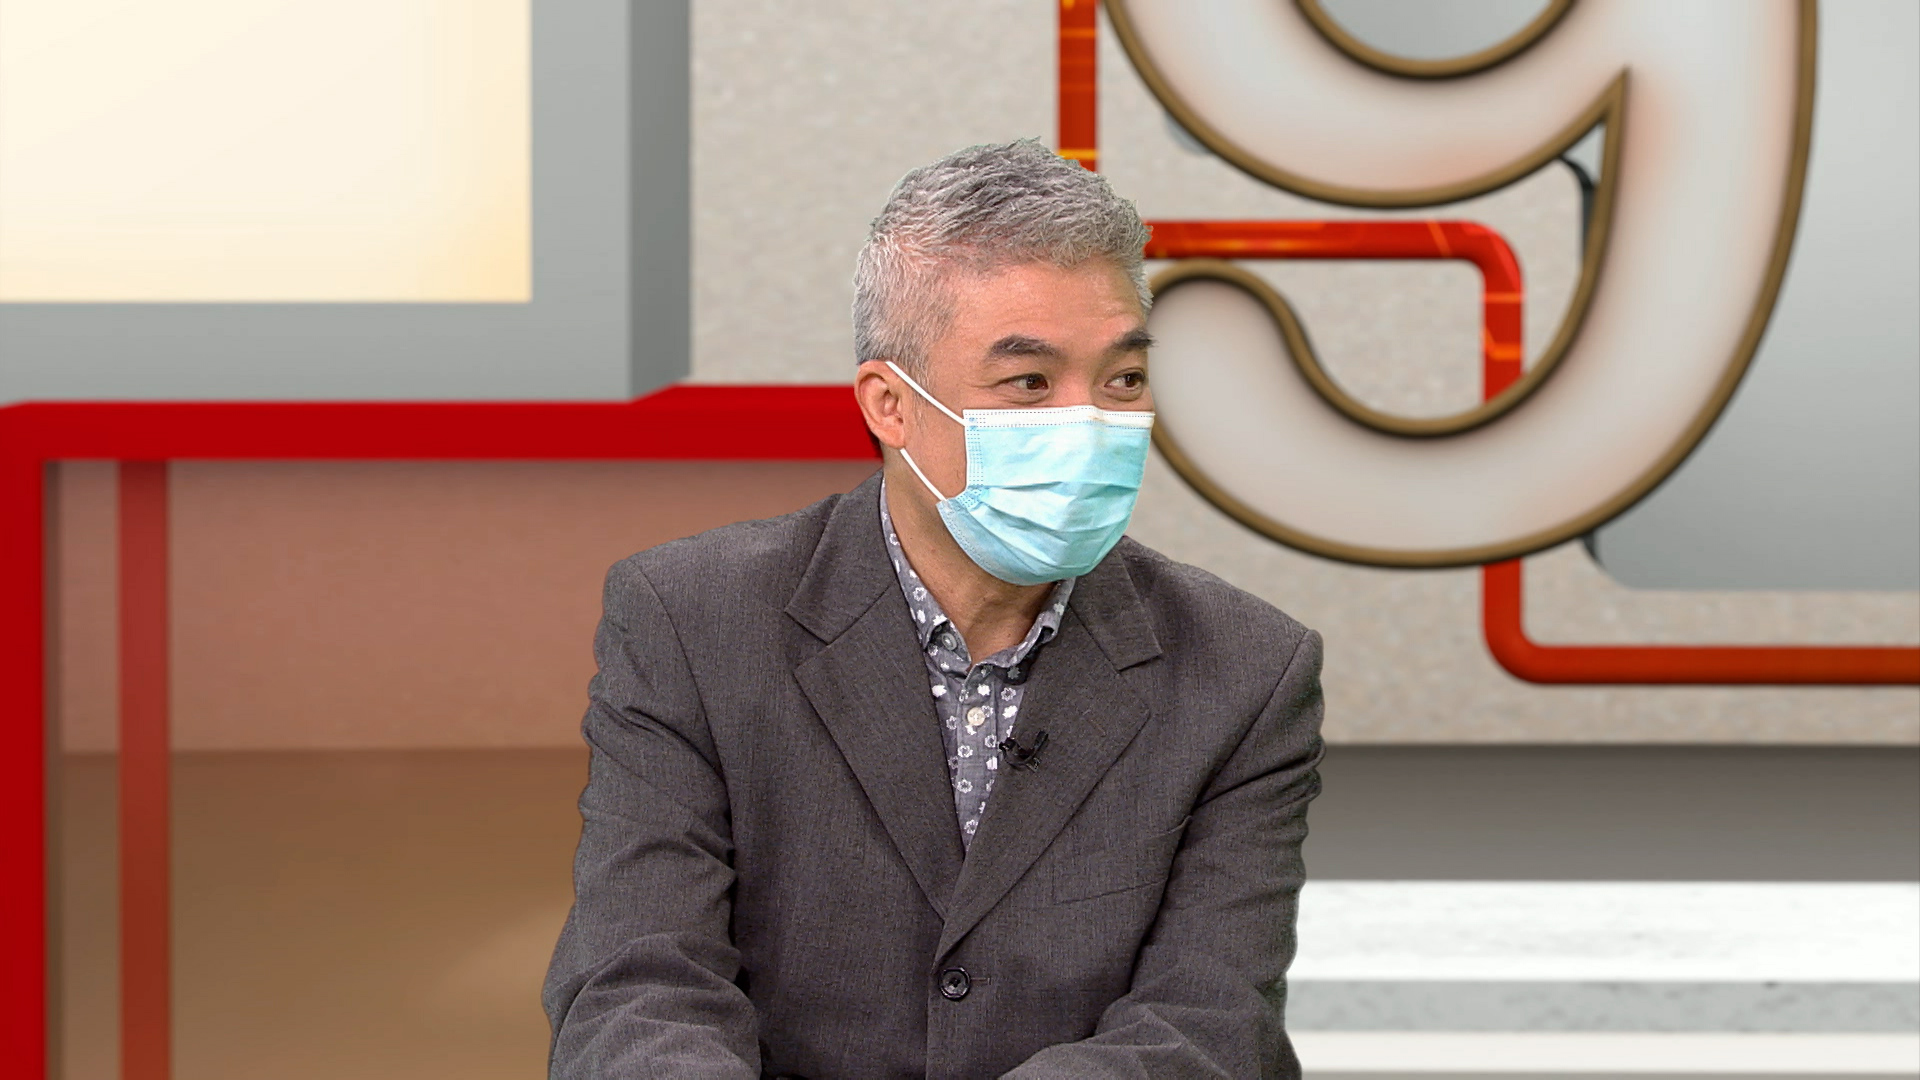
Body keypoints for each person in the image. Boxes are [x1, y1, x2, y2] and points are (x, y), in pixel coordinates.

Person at [543, 139, 1326, 1079]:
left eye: (1122, 379)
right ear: (890, 405)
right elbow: (639, 984)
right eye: (1029, 383)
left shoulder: (1248, 669)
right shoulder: (689, 621)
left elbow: (1207, 1022)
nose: (1091, 423)